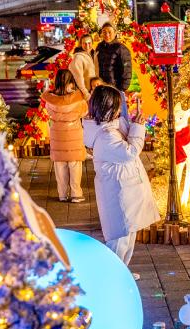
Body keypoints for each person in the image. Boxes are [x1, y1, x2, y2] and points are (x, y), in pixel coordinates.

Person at [84, 85, 160, 278]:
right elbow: (130, 152)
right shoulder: (106, 136)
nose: (120, 110)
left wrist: (135, 123)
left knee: (128, 234)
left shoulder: (111, 127)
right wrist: (139, 128)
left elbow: (127, 136)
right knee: (119, 239)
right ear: (108, 107)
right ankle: (112, 275)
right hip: (118, 193)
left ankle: (121, 272)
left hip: (126, 189)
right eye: (117, 106)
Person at [42, 69, 89, 203]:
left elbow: (49, 112)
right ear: (71, 80)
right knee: (74, 165)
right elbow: (84, 112)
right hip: (74, 133)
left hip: (57, 133)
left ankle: (62, 194)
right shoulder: (77, 98)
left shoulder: (50, 99)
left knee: (60, 165)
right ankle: (76, 194)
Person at [95, 23, 132, 92]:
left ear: (115, 33)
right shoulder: (99, 47)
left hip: (115, 88)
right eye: (104, 32)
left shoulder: (121, 48)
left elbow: (127, 72)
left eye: (109, 32)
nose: (107, 35)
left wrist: (121, 89)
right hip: (101, 86)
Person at [68, 33, 97, 99]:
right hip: (87, 94)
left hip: (95, 91)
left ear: (92, 43)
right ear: (81, 44)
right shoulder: (78, 57)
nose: (87, 46)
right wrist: (86, 94)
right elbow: (78, 78)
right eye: (84, 43)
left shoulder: (94, 55)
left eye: (89, 43)